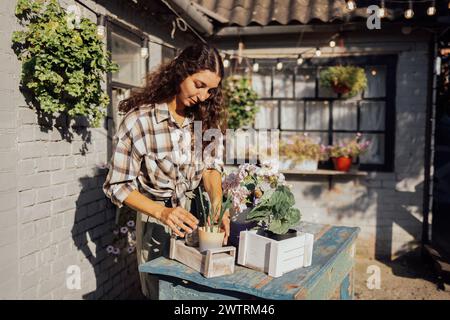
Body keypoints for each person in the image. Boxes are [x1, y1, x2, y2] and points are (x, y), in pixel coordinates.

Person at [102, 43, 228, 299]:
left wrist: (216, 204)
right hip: (155, 221)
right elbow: (117, 186)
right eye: (199, 85)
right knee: (160, 292)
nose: (204, 96)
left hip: (196, 217)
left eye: (211, 90)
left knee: (196, 293)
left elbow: (211, 167)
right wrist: (163, 212)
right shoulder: (140, 121)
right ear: (181, 72)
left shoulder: (205, 119)